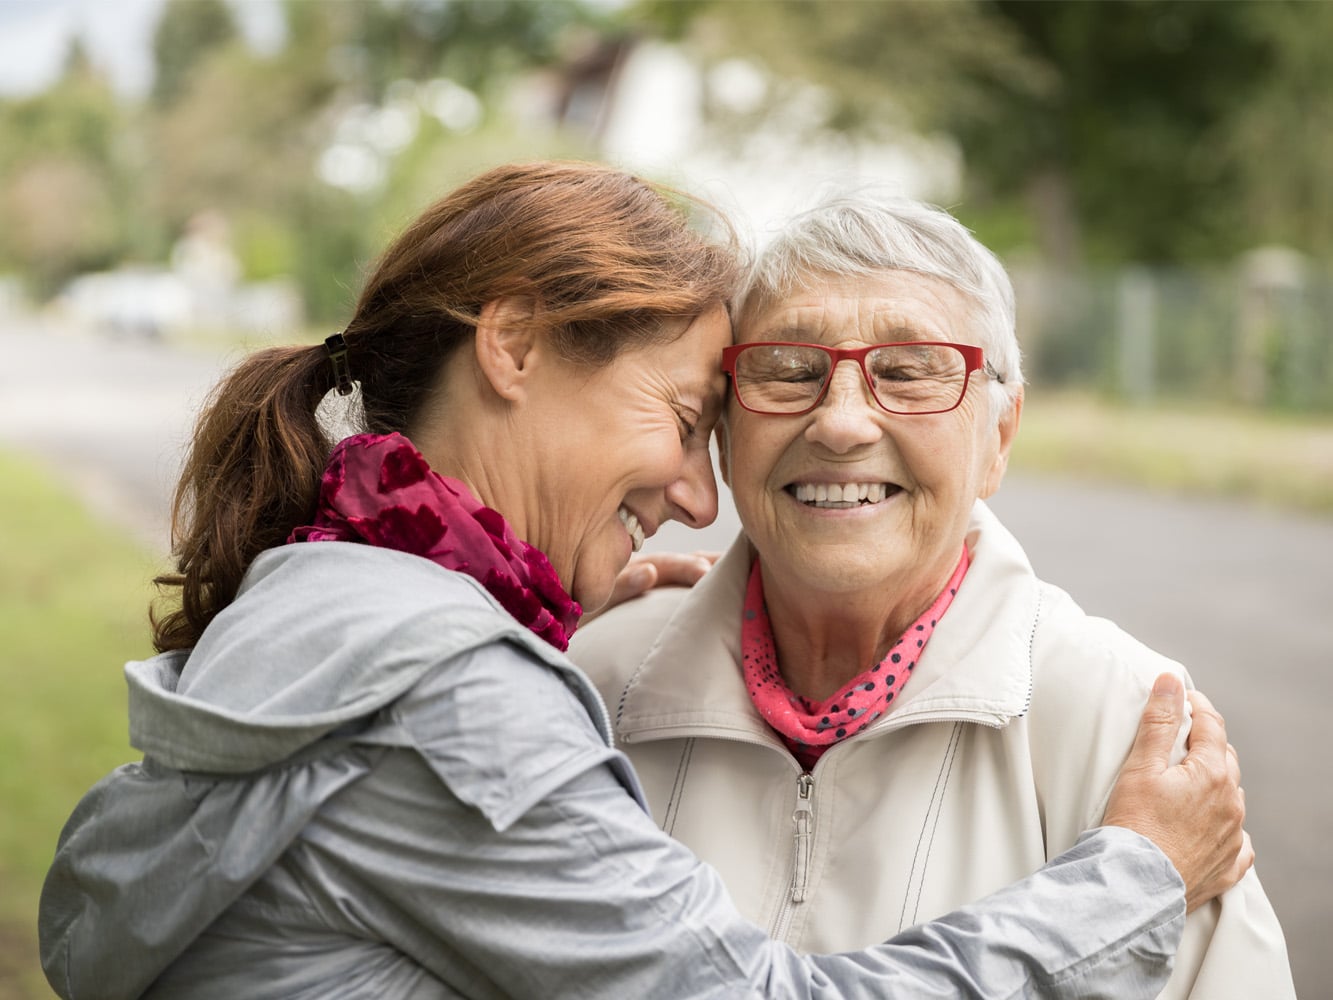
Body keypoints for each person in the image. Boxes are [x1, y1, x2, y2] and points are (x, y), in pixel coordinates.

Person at [39, 162, 1249, 1000]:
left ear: (1001, 427)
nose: (694, 492)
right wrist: (1130, 880)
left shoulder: (337, 602)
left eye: (913, 372)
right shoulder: (467, 693)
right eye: (699, 409)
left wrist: (515, 641)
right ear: (510, 345)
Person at [570, 191, 1294, 998]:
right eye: (787, 370)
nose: (840, 424)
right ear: (726, 433)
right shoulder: (590, 683)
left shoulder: (1125, 723)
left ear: (1000, 439)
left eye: (910, 374)